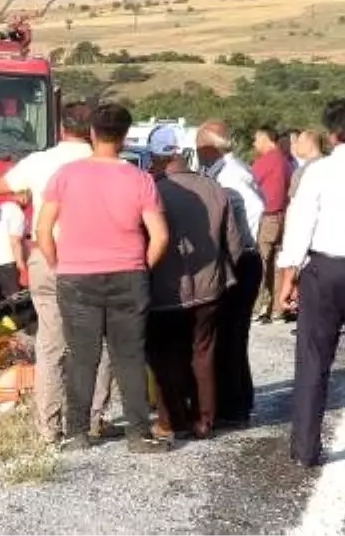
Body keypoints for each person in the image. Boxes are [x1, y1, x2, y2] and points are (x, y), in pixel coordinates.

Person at [36, 103, 171, 453]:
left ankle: (76, 433)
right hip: (128, 275)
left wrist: (56, 264)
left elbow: (43, 229)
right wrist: (141, 267)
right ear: (125, 138)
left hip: (76, 277)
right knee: (129, 356)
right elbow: (160, 237)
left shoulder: (66, 176)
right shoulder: (140, 179)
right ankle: (139, 435)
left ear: (92, 134)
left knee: (82, 357)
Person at [0, 101, 117, 445]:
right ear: (92, 131)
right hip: (95, 260)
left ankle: (48, 427)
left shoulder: (39, 161)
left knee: (50, 344)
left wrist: (26, 190)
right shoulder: (110, 164)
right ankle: (92, 420)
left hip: (47, 258)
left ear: (60, 128)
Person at [144, 127, 243, 440]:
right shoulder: (215, 188)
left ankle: (171, 421)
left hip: (164, 289)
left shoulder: (152, 190)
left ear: (156, 156)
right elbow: (235, 246)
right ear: (183, 153)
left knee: (165, 354)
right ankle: (204, 421)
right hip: (210, 290)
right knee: (203, 353)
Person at [276, 98, 345, 467]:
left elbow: (300, 225)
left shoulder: (318, 172)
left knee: (312, 362)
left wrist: (288, 276)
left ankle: (305, 450)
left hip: (324, 269)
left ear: (333, 133)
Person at [195, 119, 264, 429]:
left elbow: (254, 209)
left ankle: (235, 406)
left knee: (233, 335)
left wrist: (239, 244)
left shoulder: (233, 174)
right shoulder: (223, 171)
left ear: (208, 148)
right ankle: (233, 401)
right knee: (227, 334)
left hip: (241, 258)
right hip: (237, 256)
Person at [251, 125, 293, 323]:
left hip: (267, 216)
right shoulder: (285, 161)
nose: (254, 143)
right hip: (282, 216)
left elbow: (251, 183)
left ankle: (259, 306)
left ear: (266, 139)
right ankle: (278, 308)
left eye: (256, 139)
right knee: (277, 264)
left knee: (261, 262)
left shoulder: (265, 161)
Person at [0, 189, 28, 302]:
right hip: (8, 262)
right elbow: (15, 241)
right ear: (24, 197)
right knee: (15, 300)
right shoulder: (17, 213)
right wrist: (22, 266)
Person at [287, 129, 327, 200]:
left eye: (299, 142)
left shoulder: (301, 172)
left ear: (309, 145)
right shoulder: (333, 164)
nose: (296, 146)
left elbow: (295, 204)